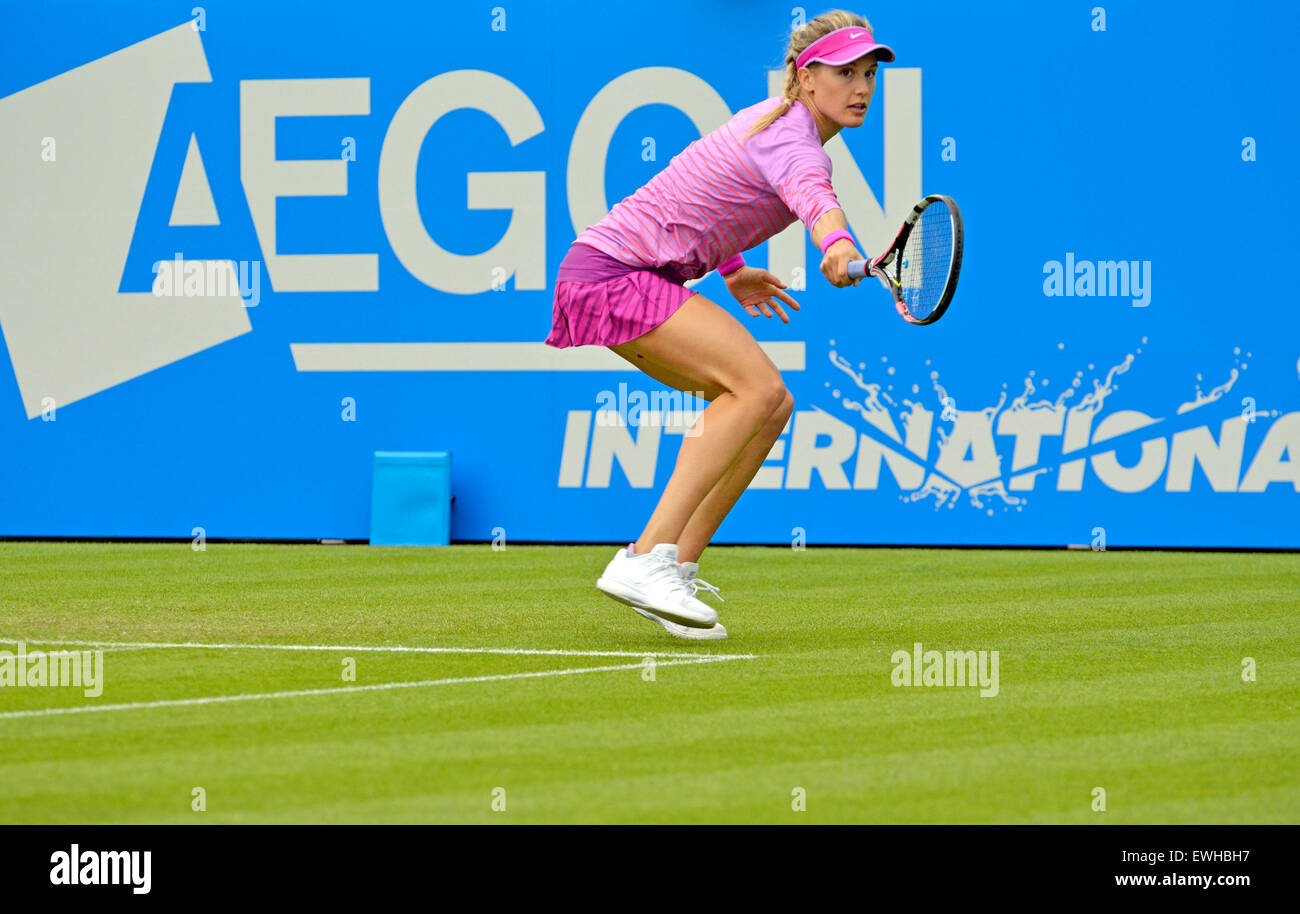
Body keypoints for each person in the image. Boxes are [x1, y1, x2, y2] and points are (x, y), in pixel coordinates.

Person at [544, 10, 895, 640]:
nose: (862, 86)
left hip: (615, 275)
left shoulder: (765, 122)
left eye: (869, 73)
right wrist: (836, 245)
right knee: (754, 390)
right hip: (612, 275)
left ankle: (674, 568)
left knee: (772, 404)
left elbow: (693, 194)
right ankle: (645, 556)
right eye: (846, 72)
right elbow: (815, 197)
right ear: (807, 77)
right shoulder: (792, 138)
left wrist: (733, 271)